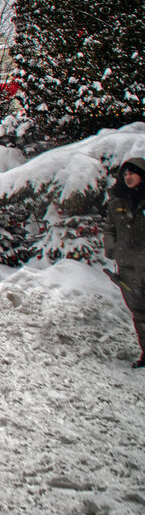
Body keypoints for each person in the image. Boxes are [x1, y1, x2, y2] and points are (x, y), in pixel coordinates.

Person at [104, 157, 145, 369]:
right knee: (139, 312)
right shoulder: (116, 203)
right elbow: (109, 229)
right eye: (125, 174)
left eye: (132, 173)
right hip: (128, 267)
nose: (128, 177)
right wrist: (111, 247)